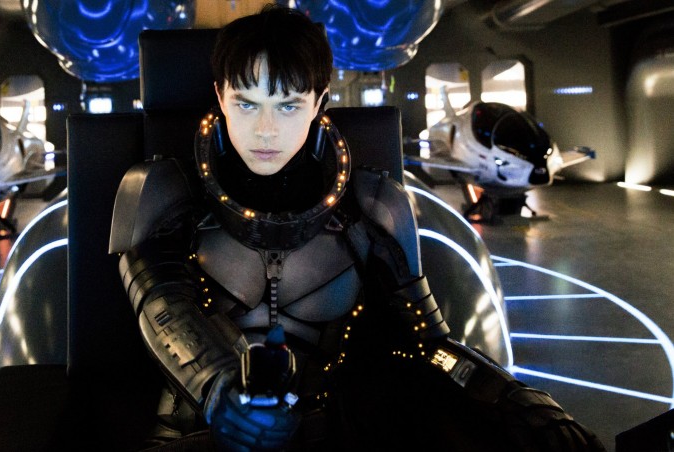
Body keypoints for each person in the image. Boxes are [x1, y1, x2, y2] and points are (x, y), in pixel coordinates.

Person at [109, 4, 605, 451]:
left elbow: (427, 346)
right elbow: (164, 305)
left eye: (288, 105)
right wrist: (219, 390)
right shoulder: (161, 192)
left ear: (319, 102)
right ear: (219, 95)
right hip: (193, 431)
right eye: (246, 103)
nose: (265, 130)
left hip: (333, 430)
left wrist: (516, 402)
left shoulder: (375, 205)